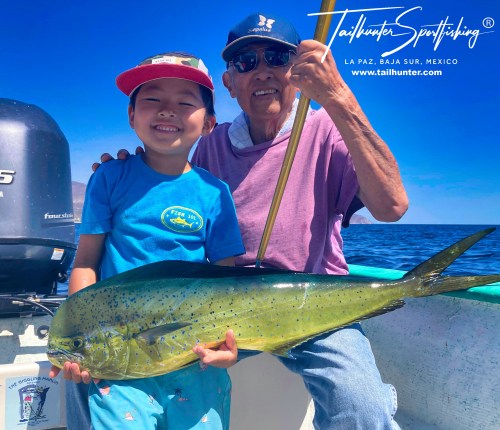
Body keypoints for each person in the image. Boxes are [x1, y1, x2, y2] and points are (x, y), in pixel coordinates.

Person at [97, 12, 409, 430]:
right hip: (218, 310)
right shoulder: (208, 144)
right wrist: (130, 172)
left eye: (278, 58)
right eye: (246, 62)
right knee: (116, 371)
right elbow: (169, 190)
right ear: (229, 82)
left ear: (298, 71)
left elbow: (392, 207)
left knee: (363, 407)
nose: (262, 71)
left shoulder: (327, 130)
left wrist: (338, 97)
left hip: (310, 305)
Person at [49, 52, 245, 429]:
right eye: (153, 99)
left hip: (195, 360)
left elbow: (228, 286)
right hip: (120, 364)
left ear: (209, 123)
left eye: (185, 103)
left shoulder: (216, 193)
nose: (167, 110)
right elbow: (86, 262)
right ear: (131, 116)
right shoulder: (109, 177)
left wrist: (228, 348)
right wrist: (76, 334)